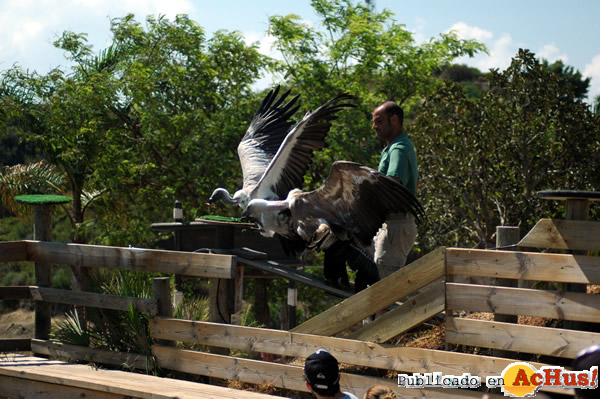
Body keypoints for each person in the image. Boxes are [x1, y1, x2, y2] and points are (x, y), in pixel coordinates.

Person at [371, 101, 419, 279]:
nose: (374, 126)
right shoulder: (394, 147)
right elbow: (416, 183)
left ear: (394, 120)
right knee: (384, 280)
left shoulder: (399, 149)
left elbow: (392, 183)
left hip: (397, 225)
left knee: (389, 288)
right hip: (392, 224)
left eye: (379, 121)